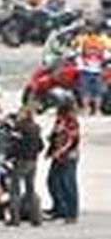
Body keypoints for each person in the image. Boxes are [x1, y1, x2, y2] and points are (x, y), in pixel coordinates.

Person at [5, 104, 43, 227]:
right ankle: (36, 218)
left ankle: (15, 218)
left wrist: (9, 156)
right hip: (33, 161)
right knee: (30, 189)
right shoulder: (36, 127)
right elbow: (41, 145)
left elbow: (14, 144)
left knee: (14, 189)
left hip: (20, 160)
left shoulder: (19, 128)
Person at [46, 94, 81, 224]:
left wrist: (61, 151)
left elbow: (72, 140)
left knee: (68, 184)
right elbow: (55, 136)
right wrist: (50, 148)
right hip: (57, 155)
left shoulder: (71, 120)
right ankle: (59, 208)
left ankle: (71, 214)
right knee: (52, 181)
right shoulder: (60, 120)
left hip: (68, 156)